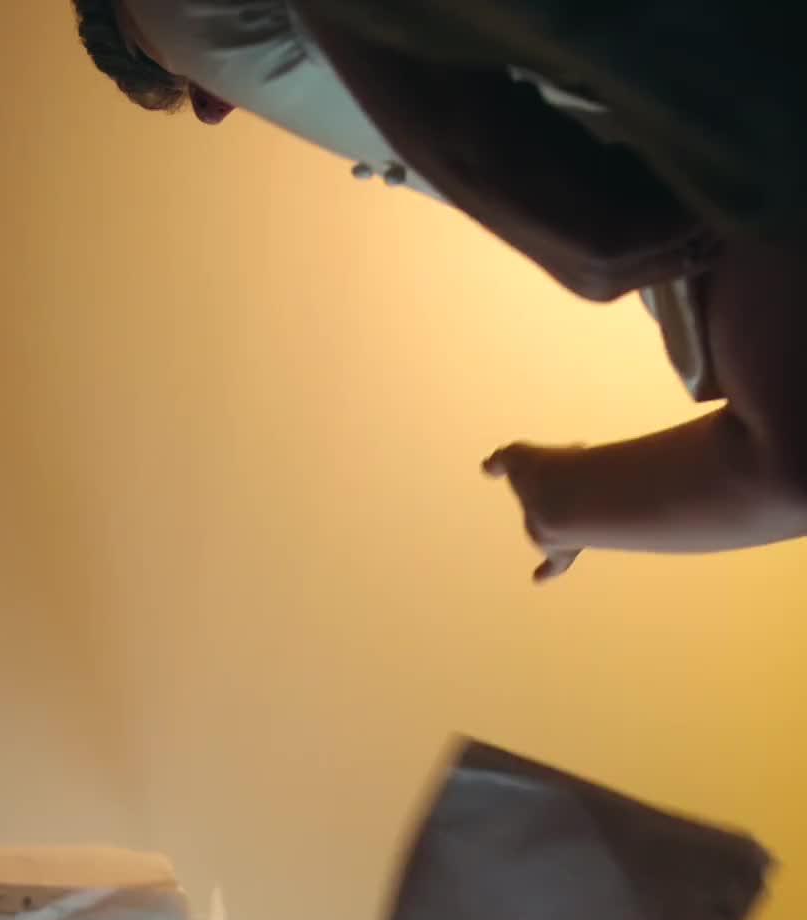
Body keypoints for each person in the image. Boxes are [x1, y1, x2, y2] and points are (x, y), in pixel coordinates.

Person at [71, 1, 807, 574]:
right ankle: (558, 503)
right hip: (688, 158)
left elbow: (598, 229)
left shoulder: (181, 26)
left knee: (784, 461)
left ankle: (558, 503)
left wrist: (597, 232)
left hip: (691, 154)